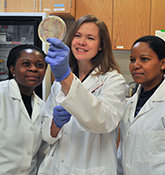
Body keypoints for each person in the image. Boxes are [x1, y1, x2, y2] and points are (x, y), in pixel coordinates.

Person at [38, 15, 126, 175]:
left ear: (101, 46)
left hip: (91, 168)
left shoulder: (113, 80)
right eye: (77, 36)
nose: (81, 42)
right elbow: (45, 132)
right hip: (57, 167)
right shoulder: (59, 83)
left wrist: (65, 76)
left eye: (90, 38)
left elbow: (104, 121)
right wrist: (55, 125)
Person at [118, 35, 165, 175]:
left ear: (163, 63)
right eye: (132, 60)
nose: (135, 65)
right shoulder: (130, 104)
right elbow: (123, 152)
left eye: (144, 59)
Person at [0, 44, 48, 175]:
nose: (33, 69)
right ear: (13, 69)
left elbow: (41, 153)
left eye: (40, 65)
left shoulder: (42, 107)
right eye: (26, 64)